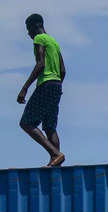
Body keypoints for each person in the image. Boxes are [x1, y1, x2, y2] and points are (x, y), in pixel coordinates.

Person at [18, 14, 66, 167]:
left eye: (28, 29)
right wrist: (57, 85)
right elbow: (63, 70)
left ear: (35, 26)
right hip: (57, 85)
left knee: (26, 123)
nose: (28, 34)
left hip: (45, 84)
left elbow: (40, 64)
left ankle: (55, 154)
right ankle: (56, 163)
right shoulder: (54, 42)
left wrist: (24, 89)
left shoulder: (39, 39)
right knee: (50, 127)